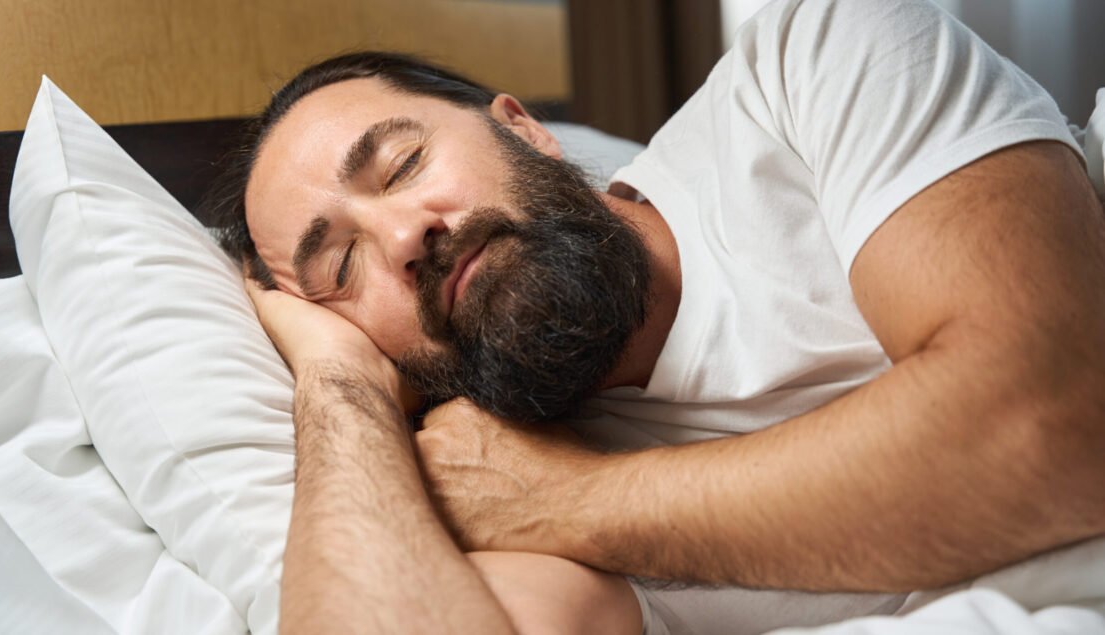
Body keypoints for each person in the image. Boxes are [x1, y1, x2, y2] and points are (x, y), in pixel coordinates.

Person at [202, 0, 1105, 632]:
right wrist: (338, 383)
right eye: (341, 267)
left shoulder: (811, 59)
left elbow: (1055, 425)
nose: (403, 235)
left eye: (401, 166)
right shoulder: (487, 473)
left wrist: (572, 504)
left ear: (522, 129)